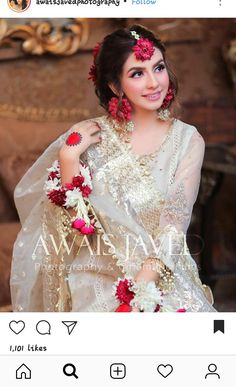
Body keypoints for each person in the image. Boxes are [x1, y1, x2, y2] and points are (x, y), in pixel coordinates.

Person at [10, 24, 216, 312]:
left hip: (161, 271)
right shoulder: (91, 137)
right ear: (114, 85)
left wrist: (139, 291)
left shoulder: (187, 140)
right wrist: (69, 157)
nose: (154, 83)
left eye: (158, 68)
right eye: (137, 74)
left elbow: (174, 224)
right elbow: (77, 230)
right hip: (96, 276)